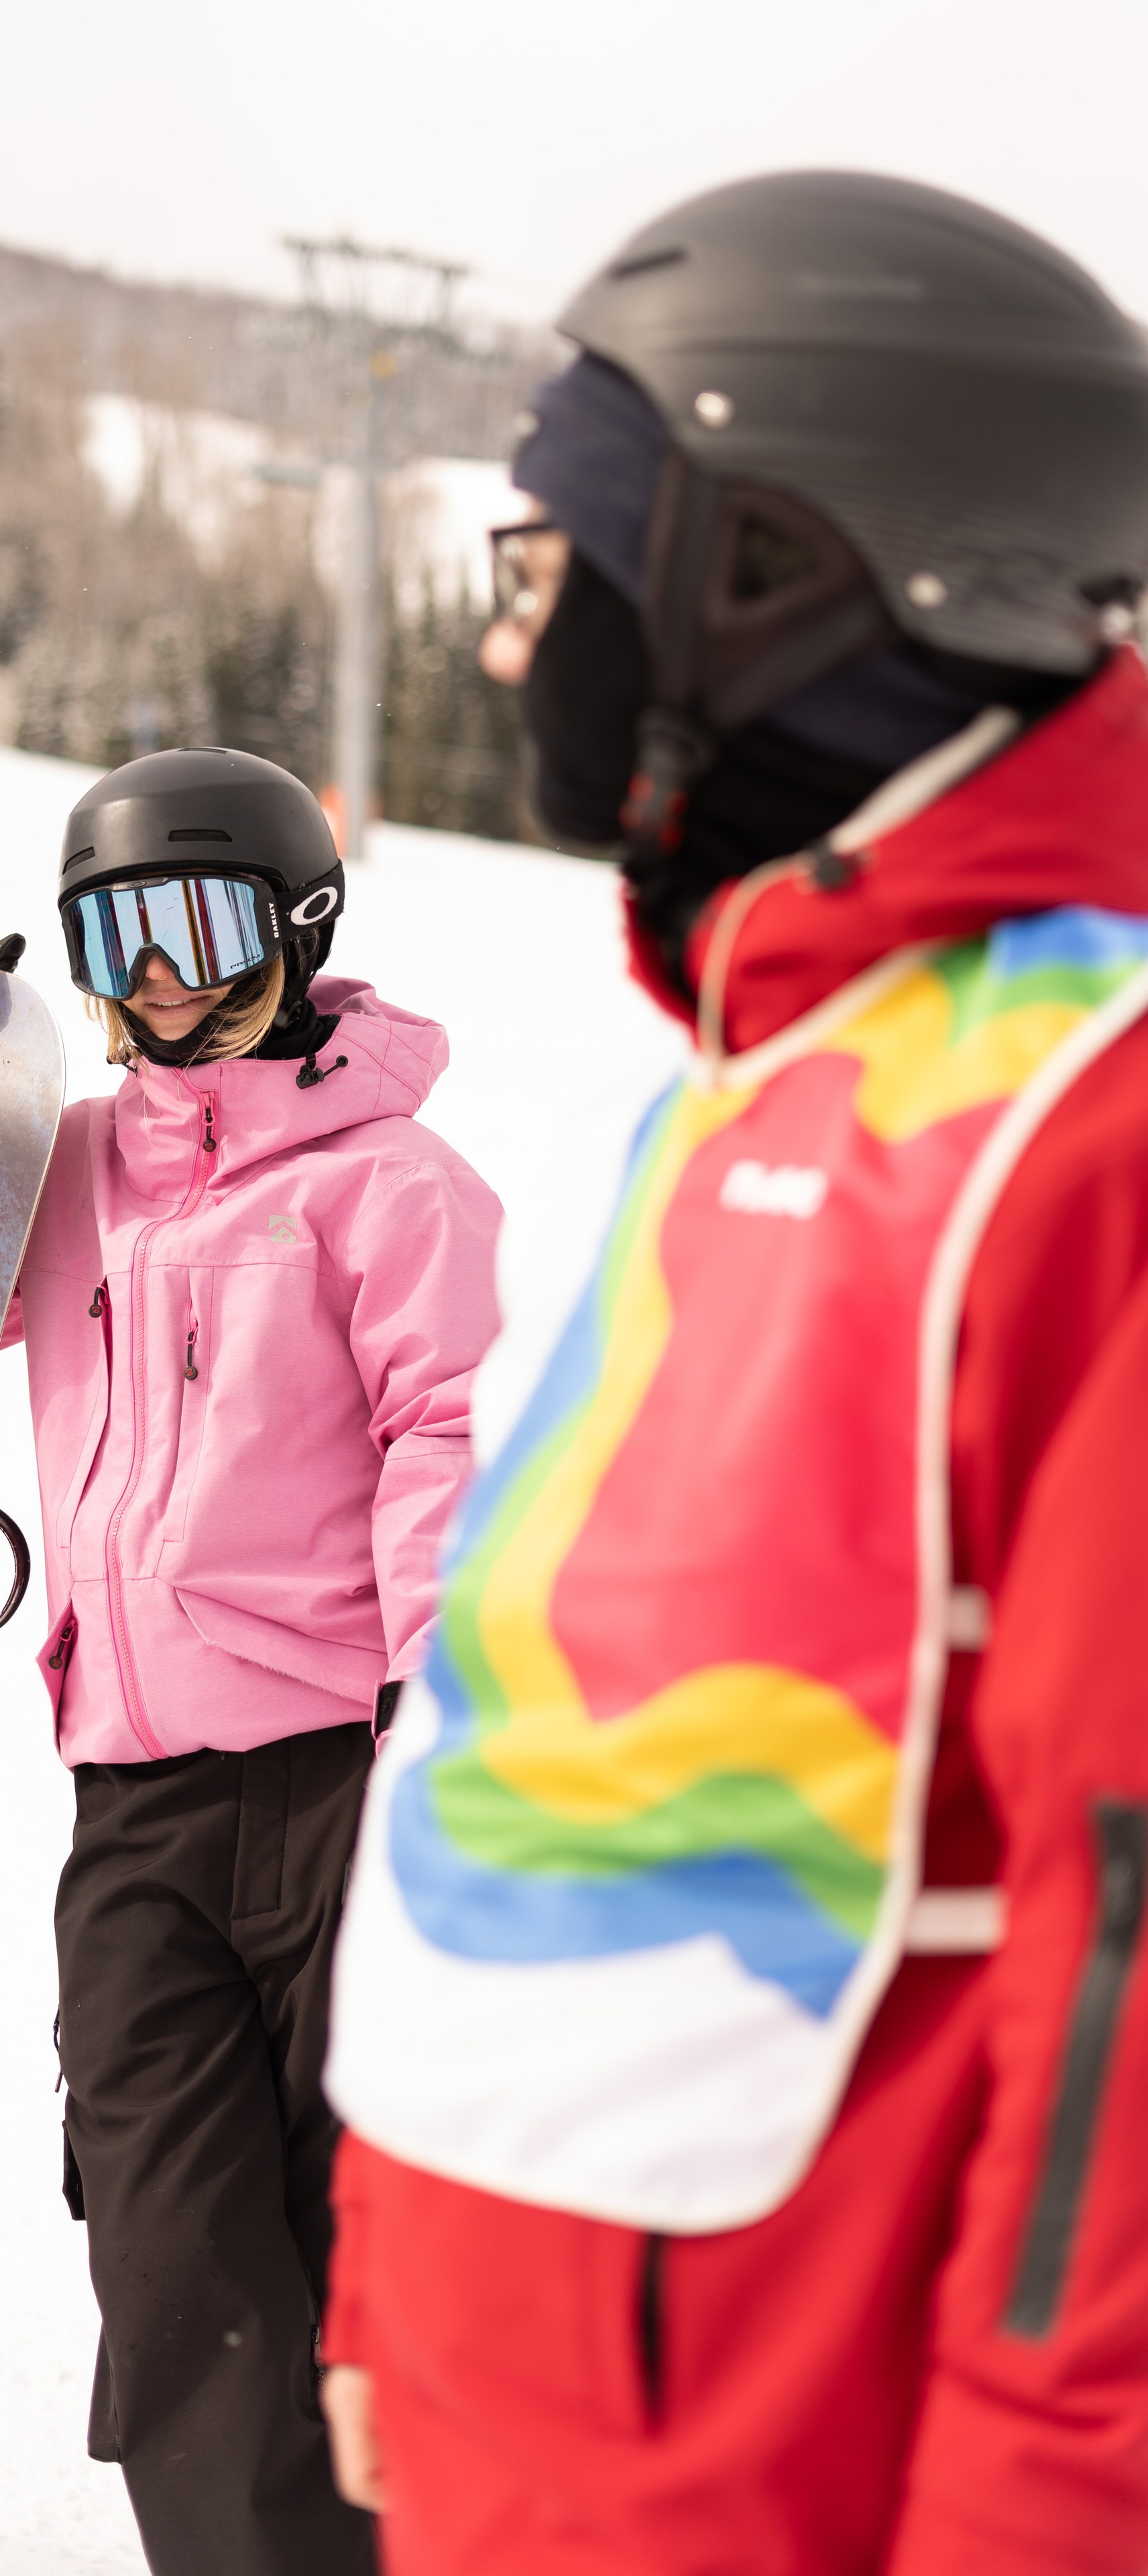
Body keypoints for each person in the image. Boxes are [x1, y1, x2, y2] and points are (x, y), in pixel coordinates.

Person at [319, 171, 1148, 2574]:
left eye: (549, 569)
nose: (508, 658)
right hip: (540, 2424)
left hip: (820, 2473)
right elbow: (540, 1750)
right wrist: (396, 2272)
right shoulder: (762, 1074)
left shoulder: (1085, 1124)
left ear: (772, 574)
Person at [0, 747, 503, 2576]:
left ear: (297, 933)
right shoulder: (64, 1177)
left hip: (339, 1794)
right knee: (169, 2258)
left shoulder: (392, 1190)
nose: (160, 978)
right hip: (130, 1814)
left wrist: (441, 1736)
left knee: (357, 2247)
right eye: (113, 934)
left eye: (199, 926)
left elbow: (455, 1446)